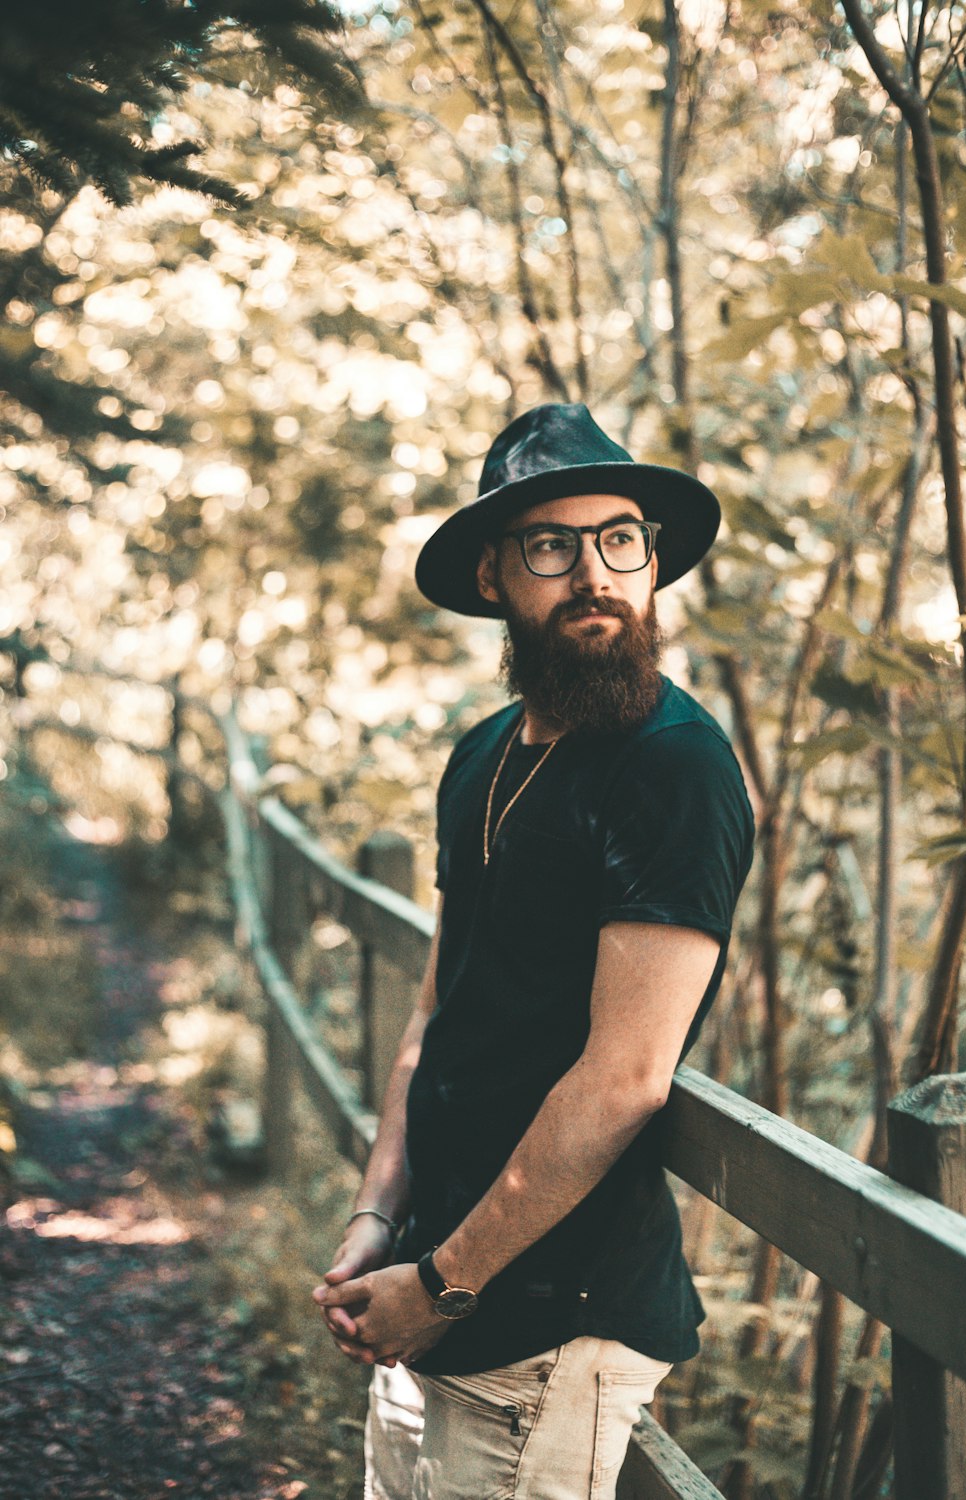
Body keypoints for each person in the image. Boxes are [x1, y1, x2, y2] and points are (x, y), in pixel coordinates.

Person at [312, 403, 755, 1499]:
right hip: (433, 1283)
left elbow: (624, 1079)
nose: (594, 573)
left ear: (651, 561)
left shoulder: (673, 767)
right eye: (552, 547)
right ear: (495, 577)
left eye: (619, 541)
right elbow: (438, 1012)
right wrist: (382, 1216)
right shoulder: (482, 754)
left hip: (553, 1321)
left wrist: (444, 1287)